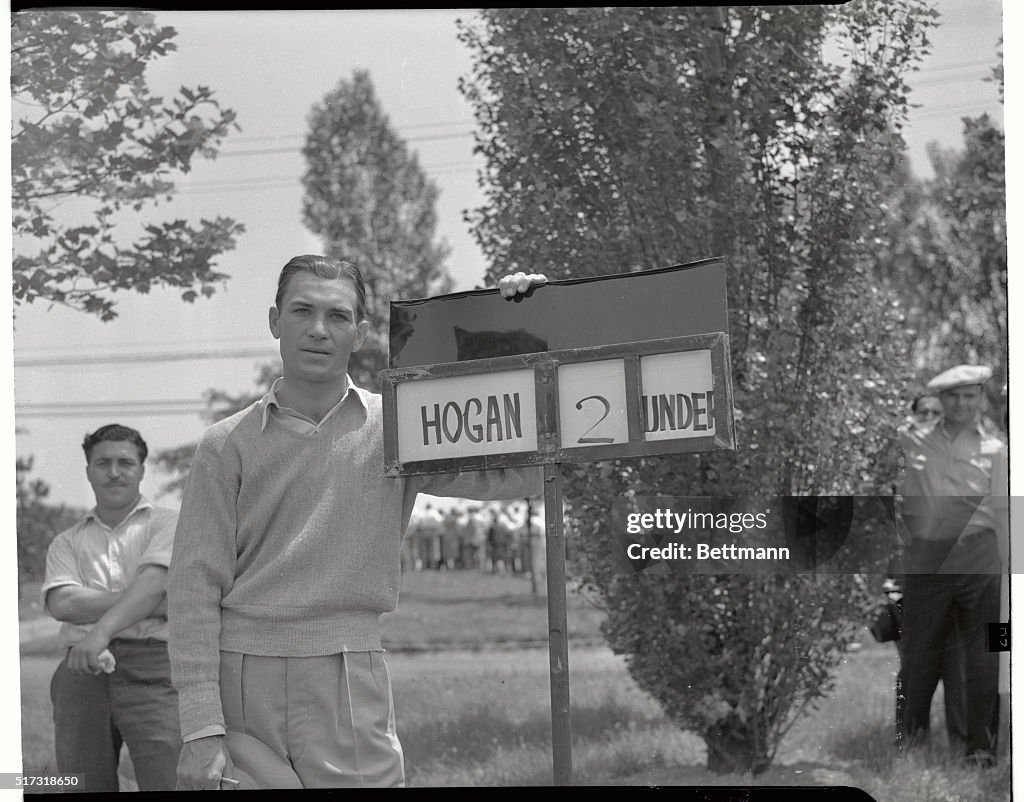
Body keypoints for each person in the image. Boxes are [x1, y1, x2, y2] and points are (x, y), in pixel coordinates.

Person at [167, 256, 546, 789]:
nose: (319, 330)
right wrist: (201, 725)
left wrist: (539, 324)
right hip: (240, 678)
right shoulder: (224, 445)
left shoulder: (402, 428)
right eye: (302, 311)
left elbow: (523, 473)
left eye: (338, 316)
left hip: (349, 669)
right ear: (276, 321)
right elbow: (191, 590)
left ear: (361, 333)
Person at [41, 424, 182, 792]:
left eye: (125, 462)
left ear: (142, 470)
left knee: (169, 780)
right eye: (103, 463)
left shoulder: (170, 524)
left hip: (155, 665)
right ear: (88, 470)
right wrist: (151, 601)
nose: (115, 472)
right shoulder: (66, 542)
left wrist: (103, 623)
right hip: (81, 668)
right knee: (83, 783)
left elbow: (154, 584)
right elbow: (63, 603)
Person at [898, 364, 1006, 767]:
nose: (962, 404)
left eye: (971, 395)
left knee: (985, 657)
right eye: (954, 396)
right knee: (918, 656)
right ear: (941, 400)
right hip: (927, 559)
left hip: (980, 557)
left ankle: (981, 752)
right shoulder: (910, 442)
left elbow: (1003, 510)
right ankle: (910, 748)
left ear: (980, 399)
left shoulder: (997, 451)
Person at [886, 394, 967, 750]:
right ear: (911, 416)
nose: (931, 418)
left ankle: (961, 748)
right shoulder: (896, 466)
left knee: (956, 662)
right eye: (924, 412)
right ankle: (910, 744)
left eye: (937, 414)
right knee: (916, 664)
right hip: (908, 580)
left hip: (954, 578)